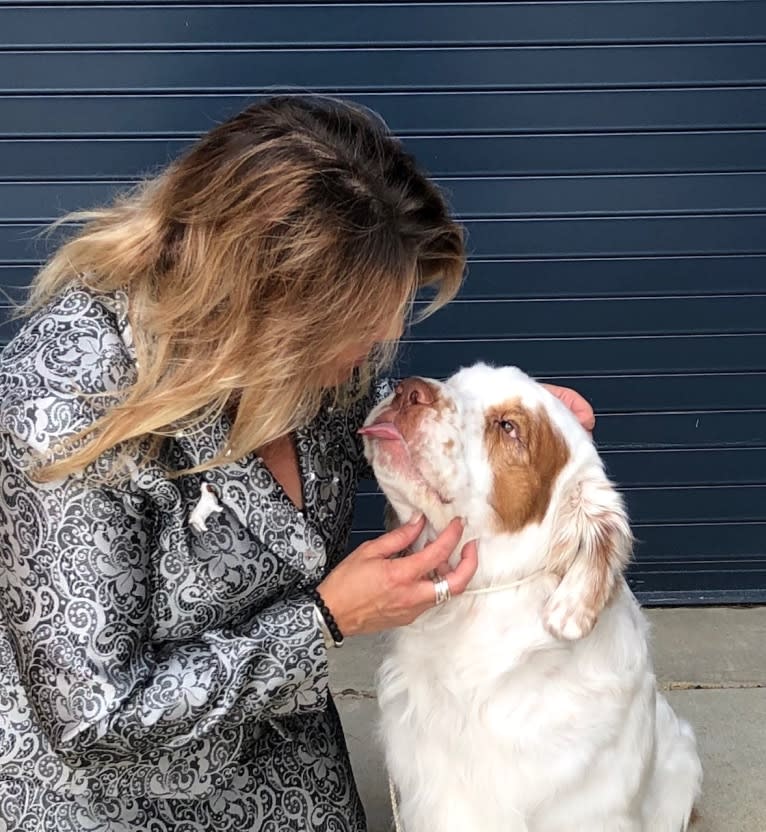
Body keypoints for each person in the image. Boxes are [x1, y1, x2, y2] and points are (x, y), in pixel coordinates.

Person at [0, 96, 594, 831]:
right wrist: (327, 622)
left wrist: (469, 426)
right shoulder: (61, 405)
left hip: (277, 753)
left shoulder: (311, 362)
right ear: (262, 311)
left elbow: (348, 414)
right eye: (358, 324)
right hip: (109, 795)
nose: (384, 336)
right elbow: (96, 720)